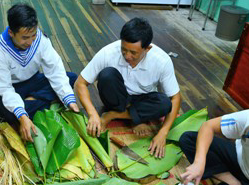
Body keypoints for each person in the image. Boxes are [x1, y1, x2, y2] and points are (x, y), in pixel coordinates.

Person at [75, 17, 181, 158]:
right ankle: (133, 117)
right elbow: (80, 83)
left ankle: (114, 115)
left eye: (133, 53)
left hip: (144, 101)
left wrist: (163, 132)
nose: (127, 56)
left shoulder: (161, 60)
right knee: (107, 75)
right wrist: (93, 114)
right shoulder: (108, 52)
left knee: (165, 103)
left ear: (147, 49)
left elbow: (175, 98)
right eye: (123, 50)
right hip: (118, 99)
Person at [0, 4, 79, 142]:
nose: (31, 42)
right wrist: (22, 116)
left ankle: (30, 101)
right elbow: (4, 89)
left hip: (34, 80)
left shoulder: (40, 39)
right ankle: (34, 104)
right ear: (11, 33)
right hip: (13, 89)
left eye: (33, 35)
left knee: (72, 79)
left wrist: (69, 99)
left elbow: (54, 69)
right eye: (25, 37)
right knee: (10, 114)